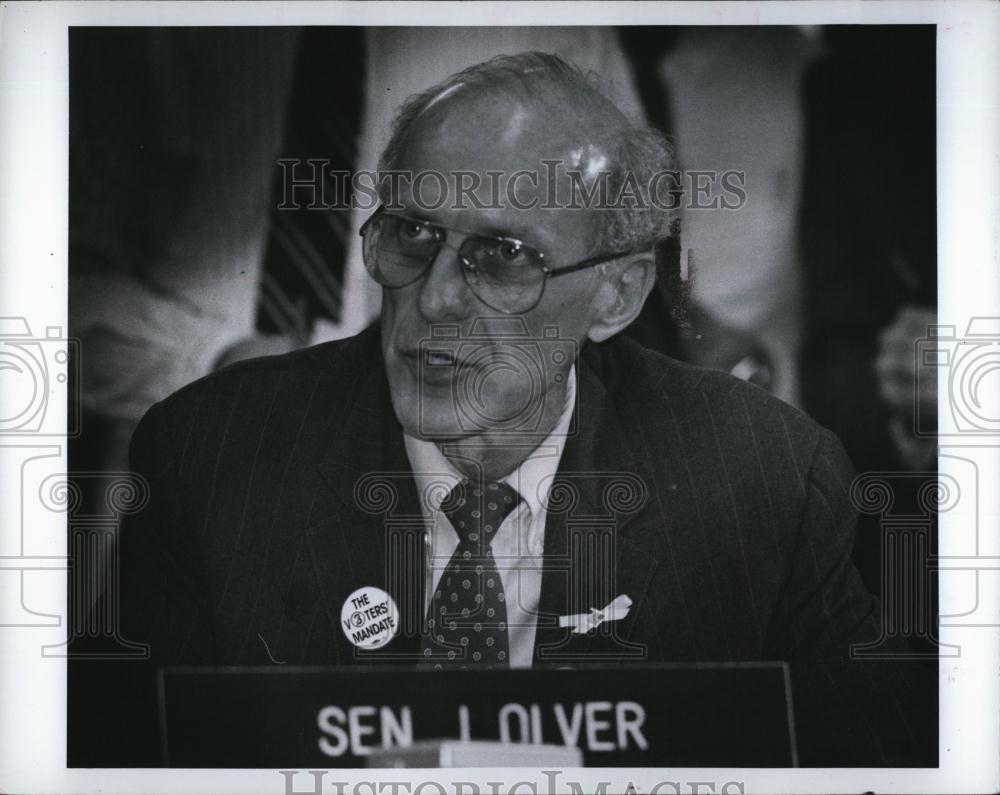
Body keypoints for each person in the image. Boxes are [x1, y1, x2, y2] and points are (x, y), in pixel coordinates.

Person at [84, 52, 933, 767]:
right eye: (412, 236)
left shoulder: (766, 479)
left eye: (503, 257)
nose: (438, 300)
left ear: (617, 294)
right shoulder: (210, 455)